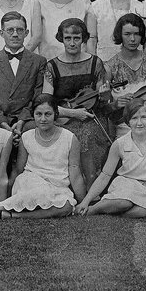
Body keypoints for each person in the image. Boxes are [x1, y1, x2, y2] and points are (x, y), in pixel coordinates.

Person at [0, 95, 86, 219]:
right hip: (30, 181)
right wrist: (9, 195)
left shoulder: (69, 138)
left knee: (67, 206)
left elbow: (75, 172)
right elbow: (18, 170)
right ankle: (2, 206)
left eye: (48, 114)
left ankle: (11, 214)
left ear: (56, 115)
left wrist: (83, 202)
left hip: (57, 187)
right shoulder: (27, 137)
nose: (43, 119)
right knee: (39, 192)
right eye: (39, 114)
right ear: (33, 115)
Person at [42, 17, 111, 188]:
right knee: (71, 135)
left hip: (92, 117)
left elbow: (103, 100)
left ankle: (91, 185)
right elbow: (45, 104)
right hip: (62, 117)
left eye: (76, 38)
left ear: (83, 39)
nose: (72, 43)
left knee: (86, 135)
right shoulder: (52, 66)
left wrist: (104, 94)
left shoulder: (95, 63)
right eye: (68, 38)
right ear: (61, 39)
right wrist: (73, 113)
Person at [74, 99, 146, 217]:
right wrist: (86, 201)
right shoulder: (120, 144)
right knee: (123, 202)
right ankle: (94, 209)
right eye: (134, 118)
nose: (139, 123)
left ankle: (113, 212)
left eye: (143, 117)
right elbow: (105, 175)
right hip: (127, 185)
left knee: (143, 212)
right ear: (127, 121)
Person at [0, 11, 47, 141]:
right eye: (10, 30)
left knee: (34, 132)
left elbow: (37, 96)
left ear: (26, 33)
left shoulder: (38, 61)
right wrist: (3, 124)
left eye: (19, 30)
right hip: (0, 120)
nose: (15, 34)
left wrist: (22, 121)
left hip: (27, 119)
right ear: (2, 33)